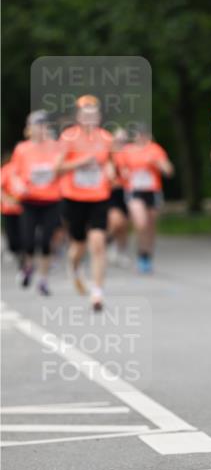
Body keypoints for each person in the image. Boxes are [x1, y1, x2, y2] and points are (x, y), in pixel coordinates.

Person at [55, 95, 114, 311]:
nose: (90, 118)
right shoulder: (68, 137)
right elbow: (57, 168)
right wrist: (81, 162)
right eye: (85, 114)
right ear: (78, 117)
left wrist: (110, 171)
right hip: (73, 197)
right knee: (78, 244)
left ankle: (97, 292)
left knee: (98, 242)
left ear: (99, 117)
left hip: (99, 196)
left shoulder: (106, 138)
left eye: (94, 114)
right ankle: (74, 266)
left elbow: (108, 163)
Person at [8, 110, 63, 295]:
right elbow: (14, 173)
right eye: (36, 126)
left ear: (47, 128)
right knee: (28, 241)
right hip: (29, 200)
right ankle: (28, 267)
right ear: (29, 128)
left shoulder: (56, 147)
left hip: (51, 199)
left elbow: (62, 169)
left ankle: (43, 279)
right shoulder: (22, 149)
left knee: (46, 241)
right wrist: (18, 185)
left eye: (43, 126)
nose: (39, 130)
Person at [114, 124, 174, 273]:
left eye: (143, 134)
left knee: (150, 226)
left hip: (152, 191)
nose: (140, 137)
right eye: (137, 134)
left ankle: (147, 255)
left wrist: (158, 164)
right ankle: (140, 253)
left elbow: (169, 171)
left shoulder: (155, 149)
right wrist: (125, 173)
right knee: (141, 223)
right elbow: (121, 170)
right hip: (135, 191)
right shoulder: (127, 151)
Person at [107, 127, 131, 267]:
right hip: (113, 192)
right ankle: (109, 243)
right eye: (118, 140)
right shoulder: (110, 154)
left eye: (124, 140)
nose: (121, 142)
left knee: (124, 225)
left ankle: (121, 250)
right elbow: (109, 172)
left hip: (128, 192)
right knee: (116, 222)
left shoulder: (130, 153)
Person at [1, 154, 24, 271]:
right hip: (9, 209)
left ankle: (23, 256)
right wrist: (6, 200)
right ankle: (16, 252)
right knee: (12, 235)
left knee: (23, 235)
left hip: (24, 209)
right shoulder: (6, 169)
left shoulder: (26, 168)